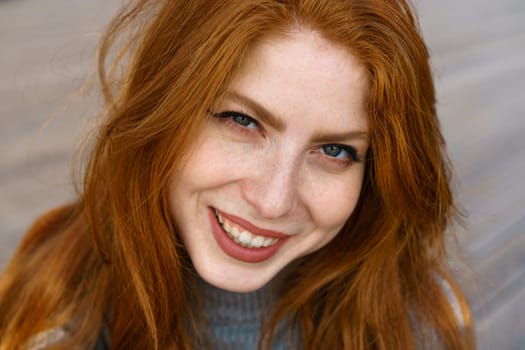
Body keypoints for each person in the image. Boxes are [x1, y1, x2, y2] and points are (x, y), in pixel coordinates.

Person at [0, 0, 475, 349]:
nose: (273, 201)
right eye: (242, 121)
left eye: (335, 150)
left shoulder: (419, 326)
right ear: (166, 110)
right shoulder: (54, 307)